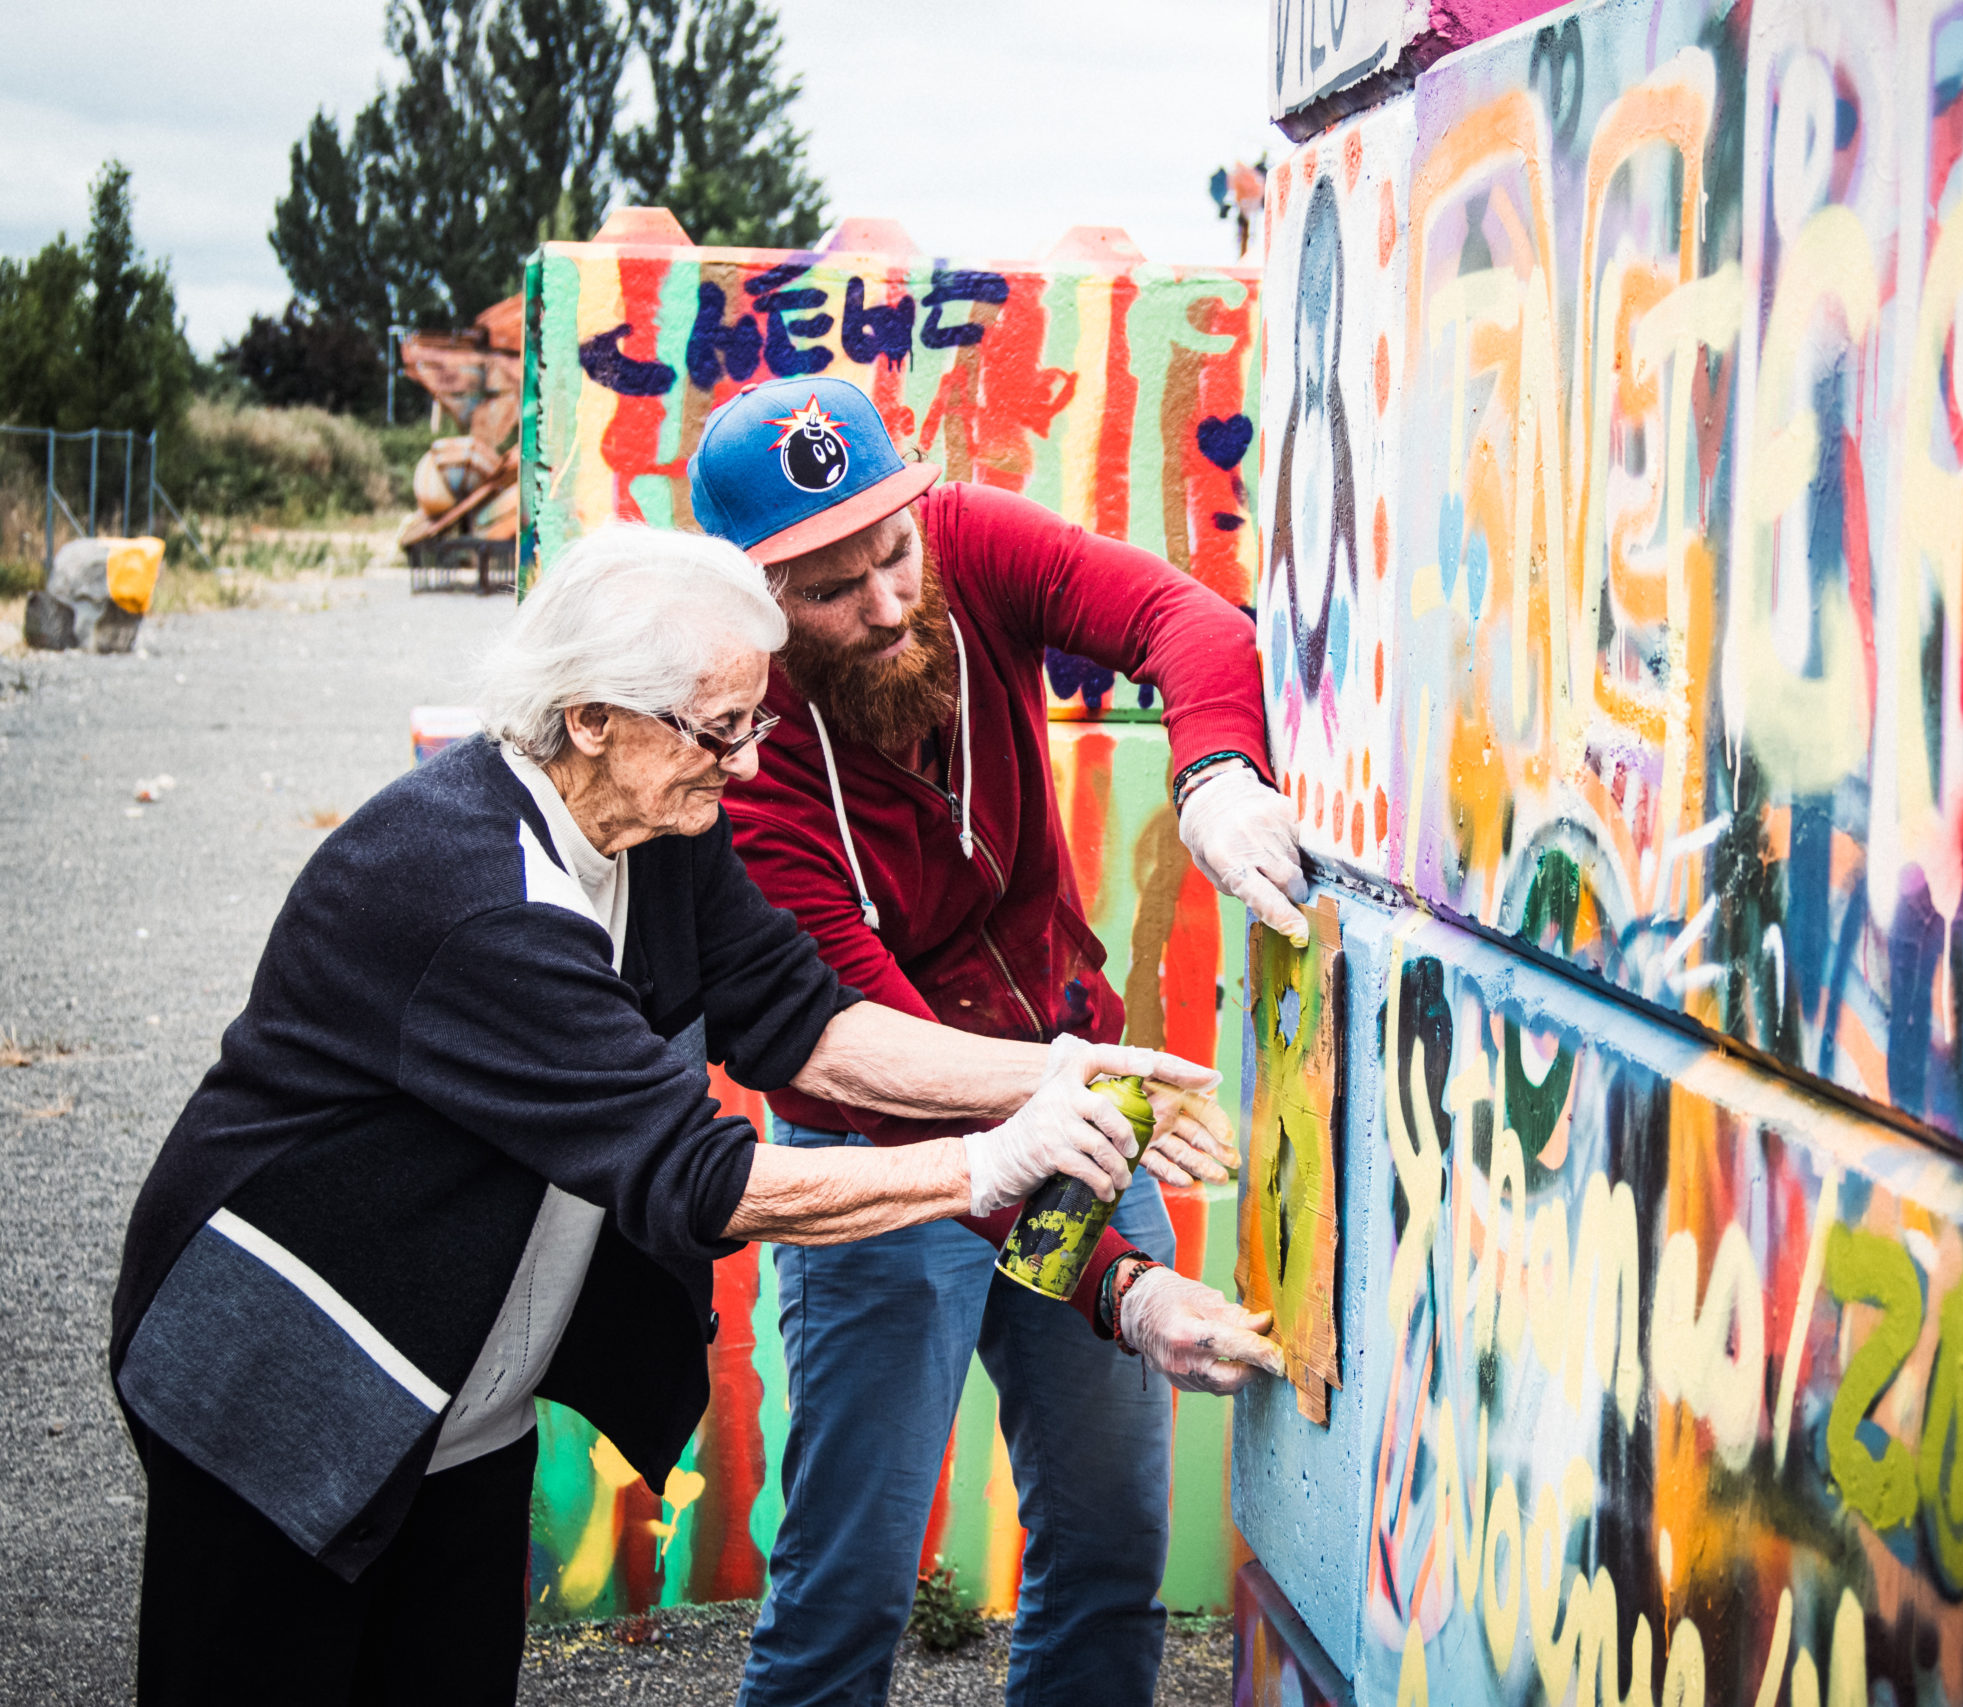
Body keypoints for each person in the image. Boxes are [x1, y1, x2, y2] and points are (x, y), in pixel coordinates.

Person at [107, 524, 1283, 1706]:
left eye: (754, 721)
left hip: (457, 1397)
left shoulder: (658, 829)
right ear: (591, 719)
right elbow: (706, 1182)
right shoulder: (477, 896)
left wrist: (1052, 1072)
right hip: (288, 1371)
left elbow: (808, 1023)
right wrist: (990, 1162)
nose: (746, 761)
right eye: (720, 730)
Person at [684, 374, 1310, 1707]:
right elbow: (894, 1085)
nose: (889, 601)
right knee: (845, 1586)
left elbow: (1177, 616)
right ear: (749, 601)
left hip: (1078, 1104)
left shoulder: (969, 542)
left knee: (1105, 1549)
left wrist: (1215, 775)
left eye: (892, 550)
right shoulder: (748, 776)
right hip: (883, 1156)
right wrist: (1122, 1286)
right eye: (828, 587)